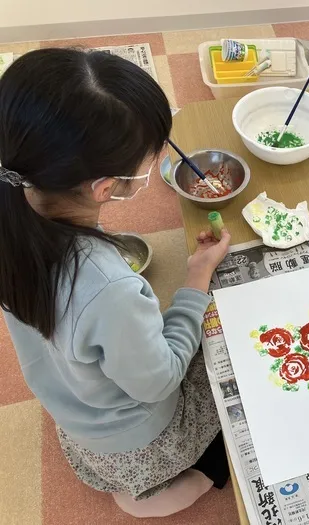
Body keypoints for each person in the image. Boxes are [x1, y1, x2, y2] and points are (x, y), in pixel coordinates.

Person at [0, 48, 233, 517]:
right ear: (105, 187)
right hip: (135, 435)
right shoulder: (107, 287)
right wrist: (195, 279)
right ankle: (156, 487)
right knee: (232, 369)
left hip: (74, 408)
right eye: (148, 163)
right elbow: (159, 381)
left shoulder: (12, 205)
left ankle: (131, 481)